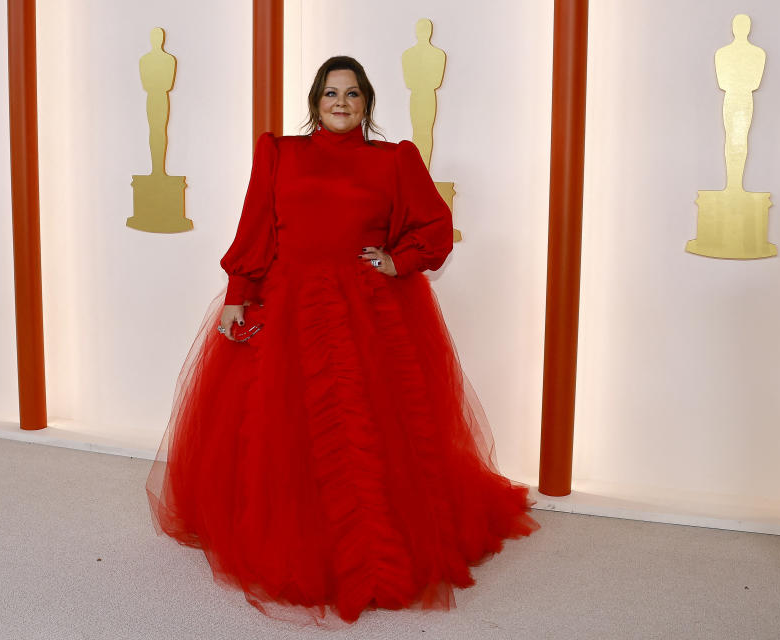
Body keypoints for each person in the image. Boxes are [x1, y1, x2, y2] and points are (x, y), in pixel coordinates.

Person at [146, 55, 538, 625]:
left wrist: (397, 259)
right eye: (331, 92)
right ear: (314, 101)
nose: (341, 102)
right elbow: (256, 227)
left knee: (367, 428)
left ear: (367, 104)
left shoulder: (393, 160)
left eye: (353, 94)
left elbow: (433, 226)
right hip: (288, 305)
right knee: (283, 426)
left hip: (366, 307)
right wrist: (237, 292)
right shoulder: (279, 153)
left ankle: (369, 549)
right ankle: (291, 537)